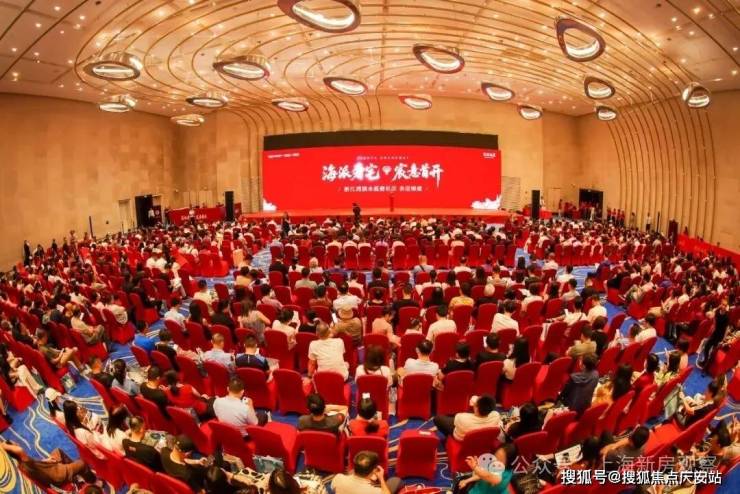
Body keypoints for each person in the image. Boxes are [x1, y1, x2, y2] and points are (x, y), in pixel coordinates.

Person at [1, 440, 94, 487]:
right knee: (82, 463)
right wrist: (3, 445)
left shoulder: (21, 463)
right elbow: (20, 450)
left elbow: (35, 464)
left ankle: (75, 473)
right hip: (57, 475)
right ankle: (93, 481)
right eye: (14, 444)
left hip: (48, 469)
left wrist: (46, 460)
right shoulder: (24, 462)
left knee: (57, 451)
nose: (17, 443)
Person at [433, 394, 500, 441]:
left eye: (475, 404)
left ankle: (449, 438)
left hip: (461, 437)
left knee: (437, 418)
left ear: (477, 408)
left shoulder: (462, 418)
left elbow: (457, 420)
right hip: (479, 435)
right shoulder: (496, 415)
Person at [332, 450, 403, 494]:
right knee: (395, 480)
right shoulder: (373, 491)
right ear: (374, 470)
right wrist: (381, 478)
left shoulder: (338, 478)